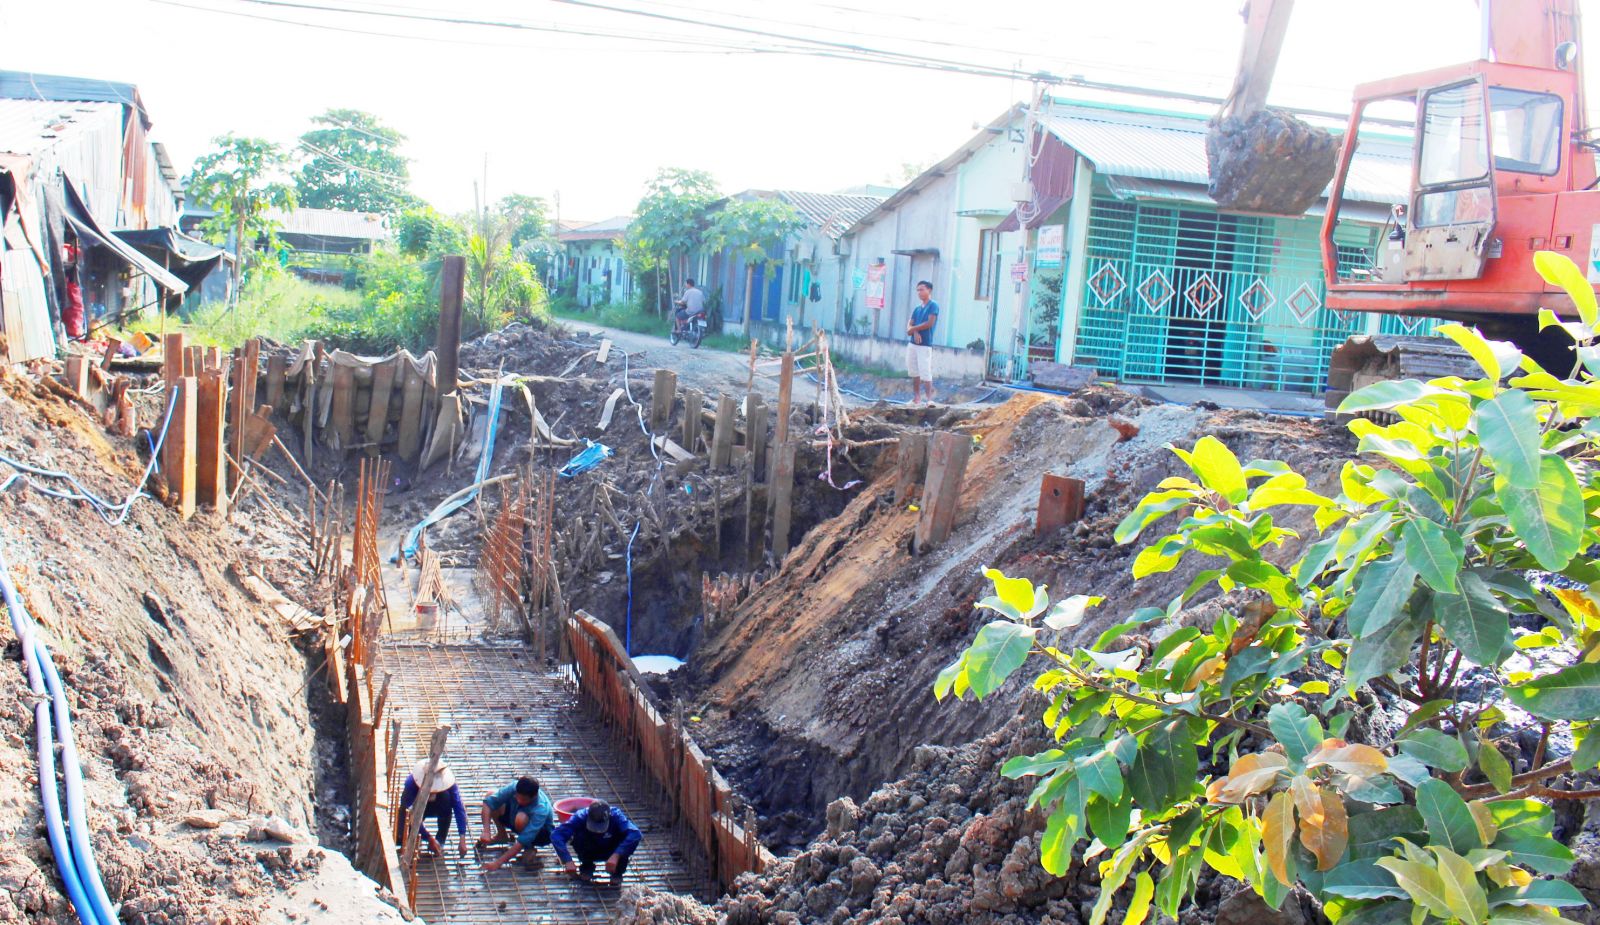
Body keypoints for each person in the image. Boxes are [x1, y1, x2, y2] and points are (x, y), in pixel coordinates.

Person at [552, 799, 642, 887]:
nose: (598, 831)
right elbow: (557, 835)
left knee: (627, 839)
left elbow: (635, 834)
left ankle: (617, 872)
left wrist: (617, 855)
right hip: (589, 847)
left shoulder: (616, 816)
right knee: (579, 836)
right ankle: (587, 865)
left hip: (611, 847)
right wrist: (567, 860)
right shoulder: (580, 816)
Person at [478, 776, 555, 871]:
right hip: (515, 816)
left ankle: (529, 847)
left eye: (523, 799)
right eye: (517, 797)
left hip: (540, 834)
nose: (518, 800)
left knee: (521, 818)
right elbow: (488, 803)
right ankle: (502, 835)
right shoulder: (515, 787)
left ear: (534, 797)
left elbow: (522, 840)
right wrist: (486, 831)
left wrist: (497, 863)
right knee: (491, 795)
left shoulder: (541, 809)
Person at [396, 759, 468, 859]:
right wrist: (428, 837)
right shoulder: (411, 784)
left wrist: (462, 837)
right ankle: (413, 837)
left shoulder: (450, 785)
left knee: (447, 800)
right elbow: (412, 815)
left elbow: (458, 808)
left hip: (438, 805)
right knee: (401, 837)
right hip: (417, 807)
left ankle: (440, 841)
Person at [905, 280, 939, 404]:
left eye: (922, 289)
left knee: (925, 371)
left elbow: (929, 323)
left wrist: (913, 329)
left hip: (925, 344)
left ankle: (929, 399)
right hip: (913, 344)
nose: (919, 292)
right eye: (918, 290)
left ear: (929, 290)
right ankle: (917, 398)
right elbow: (910, 323)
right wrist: (914, 331)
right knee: (914, 370)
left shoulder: (933, 305)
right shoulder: (917, 309)